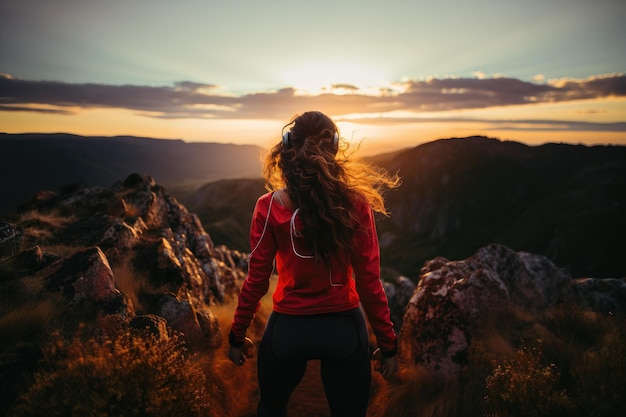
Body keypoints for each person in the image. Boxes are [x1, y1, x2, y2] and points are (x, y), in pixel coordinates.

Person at [227, 111, 400, 417]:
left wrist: (237, 336)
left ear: (287, 145)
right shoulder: (356, 204)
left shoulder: (268, 207)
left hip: (287, 328)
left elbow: (257, 280)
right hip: (344, 327)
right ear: (334, 147)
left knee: (270, 410)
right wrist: (389, 346)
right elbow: (369, 283)